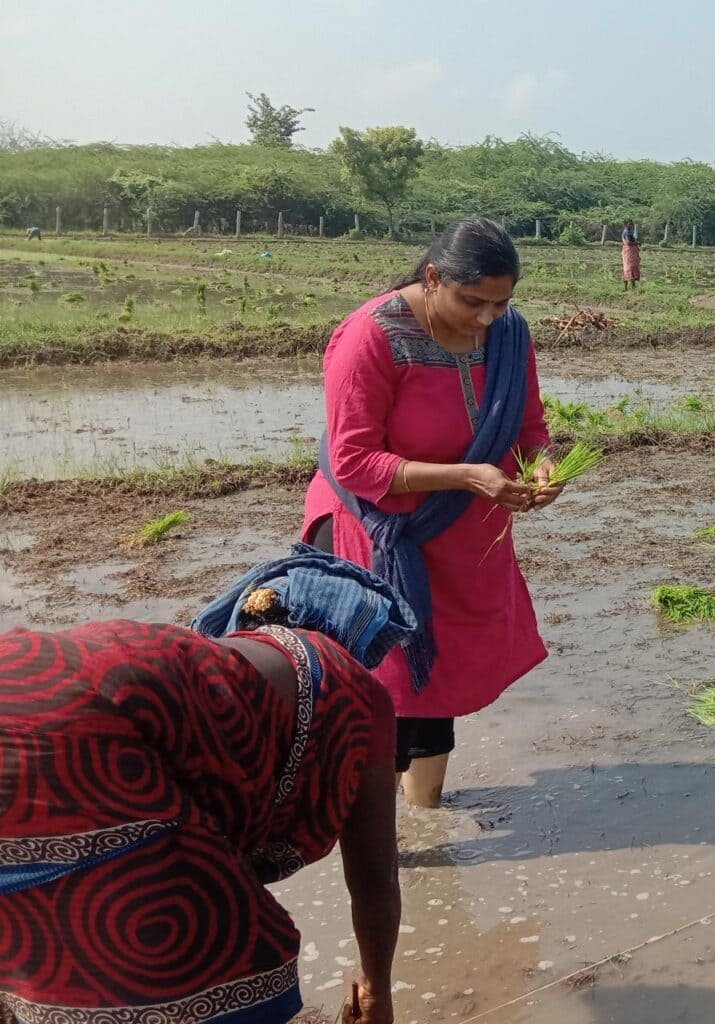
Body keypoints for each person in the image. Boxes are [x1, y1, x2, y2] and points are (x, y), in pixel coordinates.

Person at [0, 545, 417, 1024]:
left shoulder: (206, 662)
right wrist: (376, 991)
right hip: (71, 752)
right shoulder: (353, 687)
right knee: (231, 972)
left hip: (21, 681)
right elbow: (375, 879)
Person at [302, 217, 562, 809]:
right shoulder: (372, 335)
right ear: (434, 277)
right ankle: (372, 834)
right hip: (377, 534)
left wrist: (542, 465)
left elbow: (529, 429)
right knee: (378, 691)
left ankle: (424, 824)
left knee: (434, 684)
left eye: (501, 303)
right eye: (473, 302)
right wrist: (467, 476)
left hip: (462, 535)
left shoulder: (508, 335)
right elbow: (354, 463)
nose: (487, 319)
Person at [621, 219, 640, 290]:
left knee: (632, 267)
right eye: (629, 224)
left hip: (631, 252)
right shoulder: (626, 232)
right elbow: (628, 243)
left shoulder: (630, 232)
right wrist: (637, 243)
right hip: (629, 252)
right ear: (626, 225)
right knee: (629, 268)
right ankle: (629, 287)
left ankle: (631, 287)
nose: (631, 225)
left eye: (632, 224)